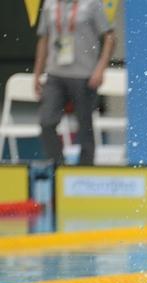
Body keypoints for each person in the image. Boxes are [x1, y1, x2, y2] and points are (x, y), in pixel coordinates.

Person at [33, 0, 116, 166]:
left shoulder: (92, 4)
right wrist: (37, 73)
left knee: (84, 126)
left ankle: (85, 171)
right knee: (46, 121)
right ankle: (58, 166)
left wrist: (100, 67)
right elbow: (44, 38)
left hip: (84, 74)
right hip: (55, 74)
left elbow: (110, 37)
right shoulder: (50, 4)